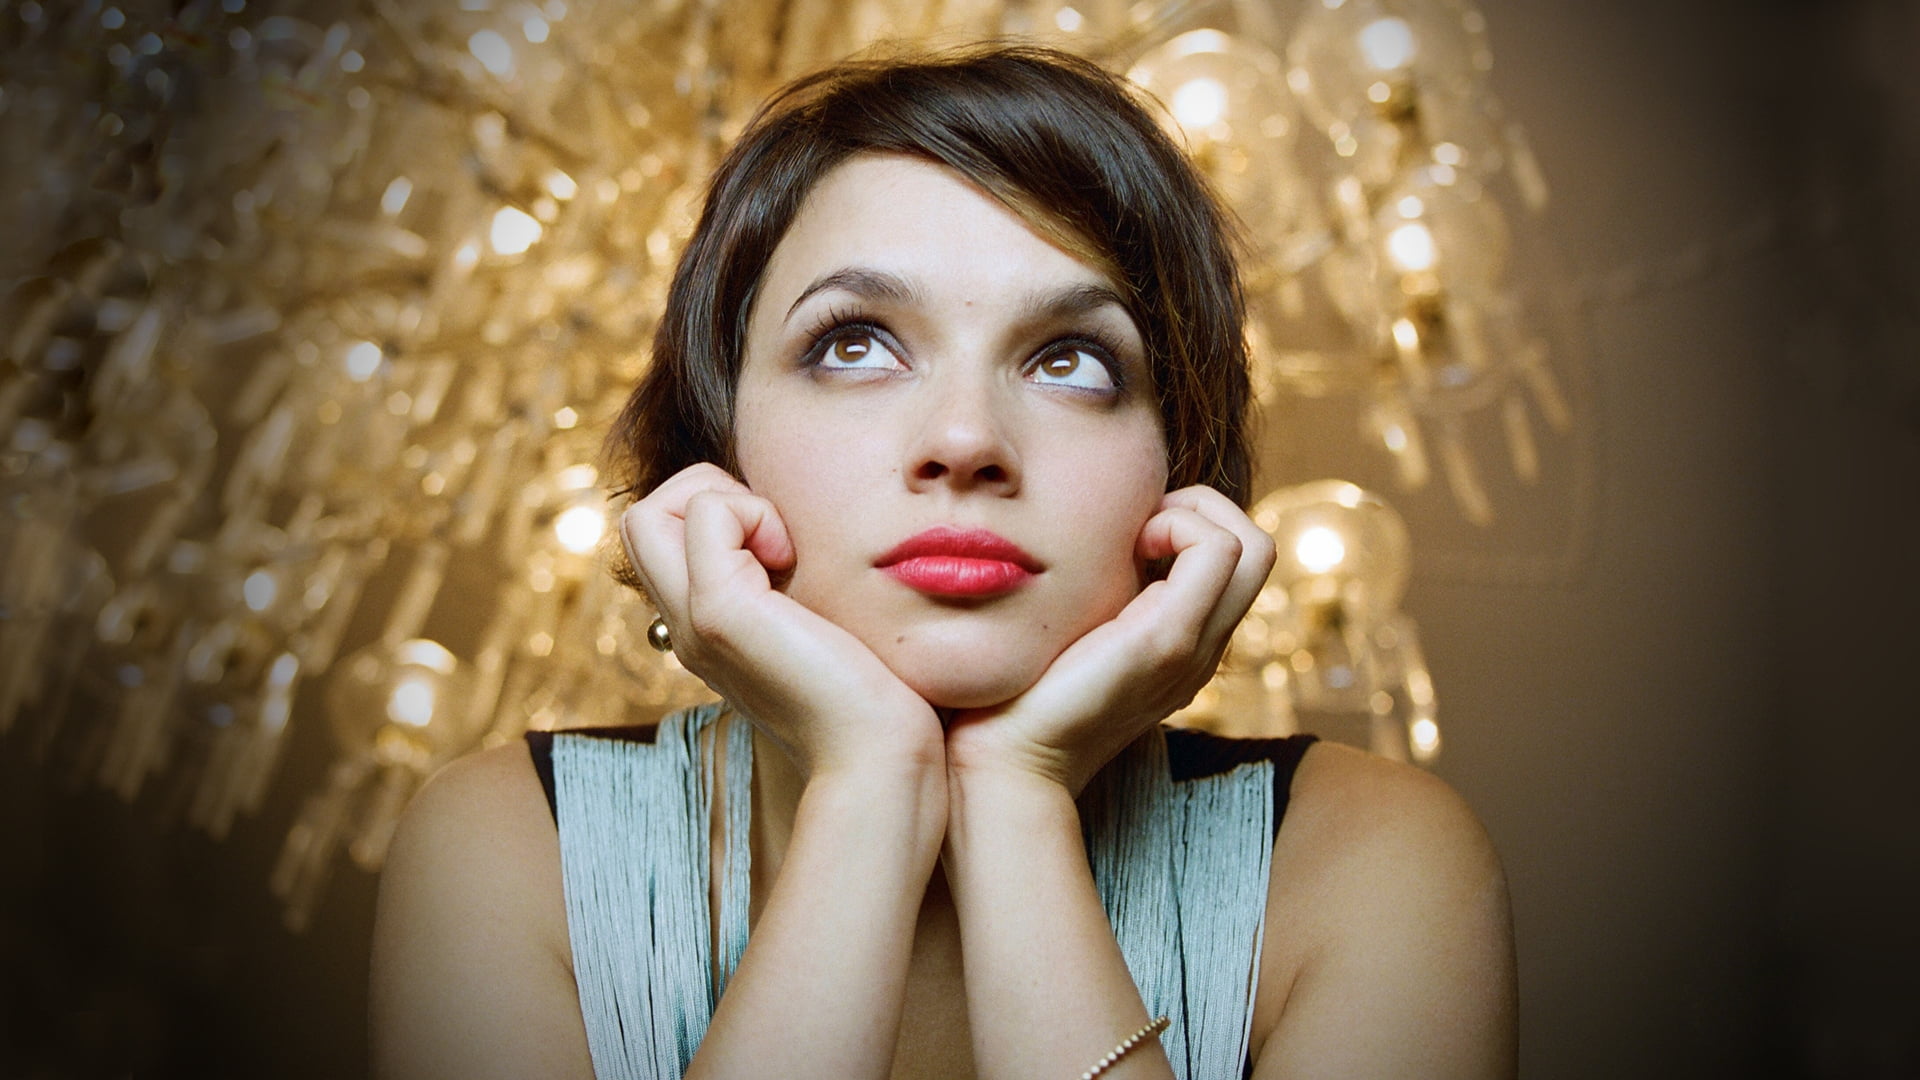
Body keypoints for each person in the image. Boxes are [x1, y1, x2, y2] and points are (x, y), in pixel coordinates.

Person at [369, 43, 1516, 1080]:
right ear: (714, 454)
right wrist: (871, 789)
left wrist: (1017, 803)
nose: (965, 441)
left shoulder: (1374, 864)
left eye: (1071, 361)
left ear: (1181, 474)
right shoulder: (509, 850)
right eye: (853, 345)